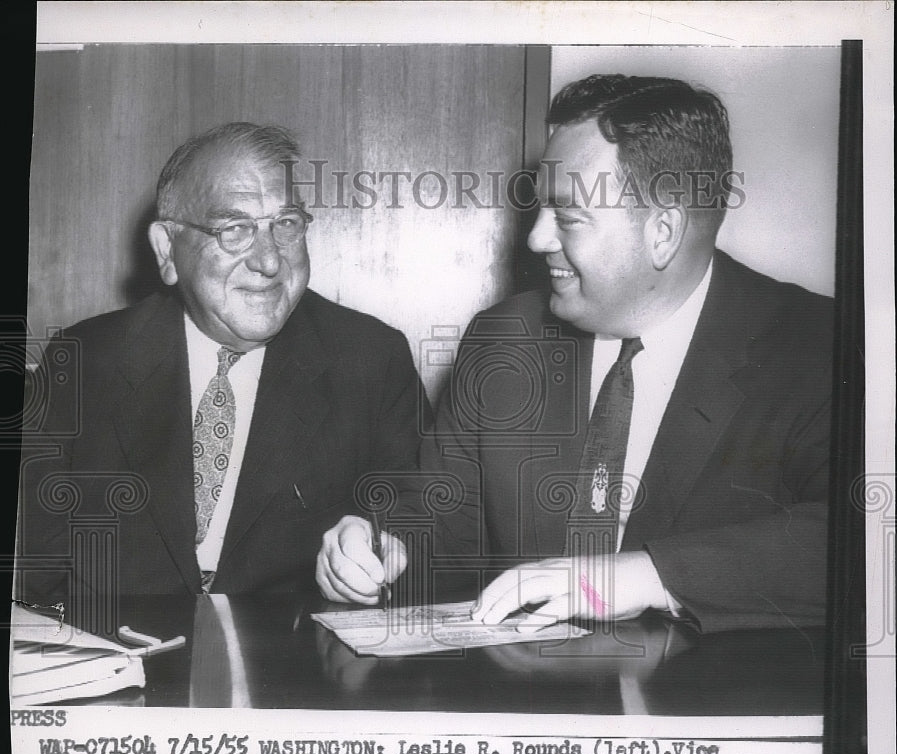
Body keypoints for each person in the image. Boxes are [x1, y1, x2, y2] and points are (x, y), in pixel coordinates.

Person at [316, 74, 833, 634]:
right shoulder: (503, 341)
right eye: (540, 212)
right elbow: (443, 524)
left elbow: (856, 538)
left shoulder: (819, 348)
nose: (536, 240)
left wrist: (645, 577)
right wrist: (382, 548)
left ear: (663, 231)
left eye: (567, 218)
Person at [18, 122, 426, 607]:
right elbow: (32, 569)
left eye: (286, 224)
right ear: (167, 250)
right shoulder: (84, 361)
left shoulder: (370, 358)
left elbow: (420, 518)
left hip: (294, 665)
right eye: (235, 230)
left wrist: (379, 545)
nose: (270, 261)